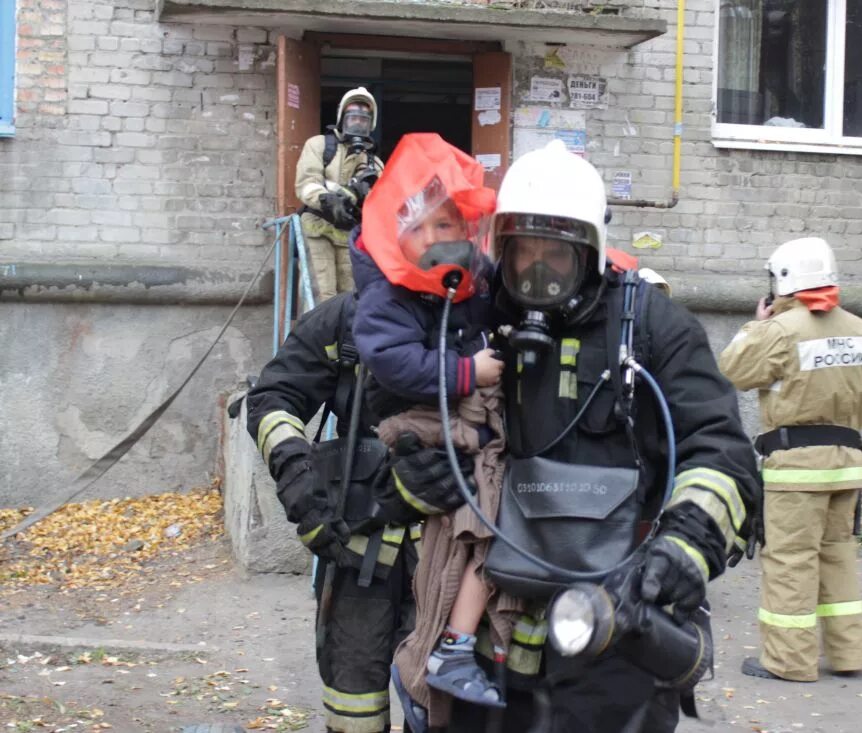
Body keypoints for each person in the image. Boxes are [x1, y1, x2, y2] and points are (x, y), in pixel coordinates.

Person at [374, 139, 763, 732]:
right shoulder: (477, 323)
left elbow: (722, 453)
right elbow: (418, 426)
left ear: (592, 252)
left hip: (617, 619)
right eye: (521, 251)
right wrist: (415, 477)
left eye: (555, 255)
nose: (536, 272)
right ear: (497, 247)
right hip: (493, 633)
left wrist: (680, 550)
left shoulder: (654, 330)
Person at [349, 133, 515, 726]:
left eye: (456, 225)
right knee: (488, 512)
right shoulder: (386, 296)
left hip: (456, 415)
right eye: (437, 226)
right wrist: (468, 372)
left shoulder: (465, 283)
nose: (452, 238)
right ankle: (447, 652)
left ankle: (443, 667)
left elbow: (505, 295)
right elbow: (394, 361)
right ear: (405, 232)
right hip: (418, 423)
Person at [246, 290, 419, 733]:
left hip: (452, 546)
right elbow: (273, 398)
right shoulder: (345, 320)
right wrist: (298, 478)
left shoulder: (479, 313)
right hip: (357, 538)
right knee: (353, 699)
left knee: (447, 695)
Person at [718, 237, 862, 683]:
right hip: (848, 461)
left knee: (791, 561)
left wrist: (757, 326)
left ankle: (789, 661)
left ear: (784, 281)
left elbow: (731, 369)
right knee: (837, 555)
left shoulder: (779, 331)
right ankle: (849, 653)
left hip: (796, 466)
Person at [296, 86, 385, 302]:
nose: (357, 123)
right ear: (341, 117)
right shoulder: (319, 146)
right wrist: (328, 199)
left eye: (363, 119)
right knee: (321, 295)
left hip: (350, 235)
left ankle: (343, 337)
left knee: (350, 298)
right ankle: (316, 336)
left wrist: (367, 193)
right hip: (319, 228)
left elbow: (382, 202)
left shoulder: (373, 163)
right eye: (352, 116)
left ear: (370, 124)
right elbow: (306, 183)